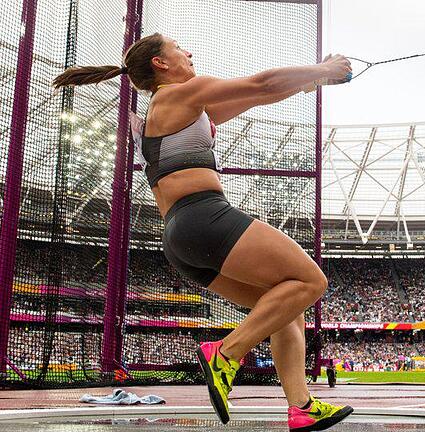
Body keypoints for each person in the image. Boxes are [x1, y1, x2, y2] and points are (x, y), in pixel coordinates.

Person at [53, 33, 353, 431]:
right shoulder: (178, 95)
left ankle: (302, 407)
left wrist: (316, 81)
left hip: (182, 235)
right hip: (203, 217)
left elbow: (261, 97)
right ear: (161, 63)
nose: (189, 53)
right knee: (310, 281)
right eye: (179, 48)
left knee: (285, 309)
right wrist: (324, 67)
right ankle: (226, 353)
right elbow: (259, 83)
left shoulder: (180, 107)